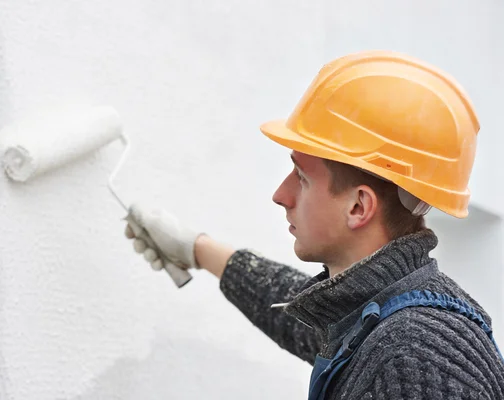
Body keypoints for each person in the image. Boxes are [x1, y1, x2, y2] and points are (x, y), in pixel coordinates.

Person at [124, 50, 504, 399]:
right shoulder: (384, 314)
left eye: (301, 177)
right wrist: (195, 247)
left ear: (358, 206)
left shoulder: (415, 355)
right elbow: (309, 317)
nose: (280, 194)